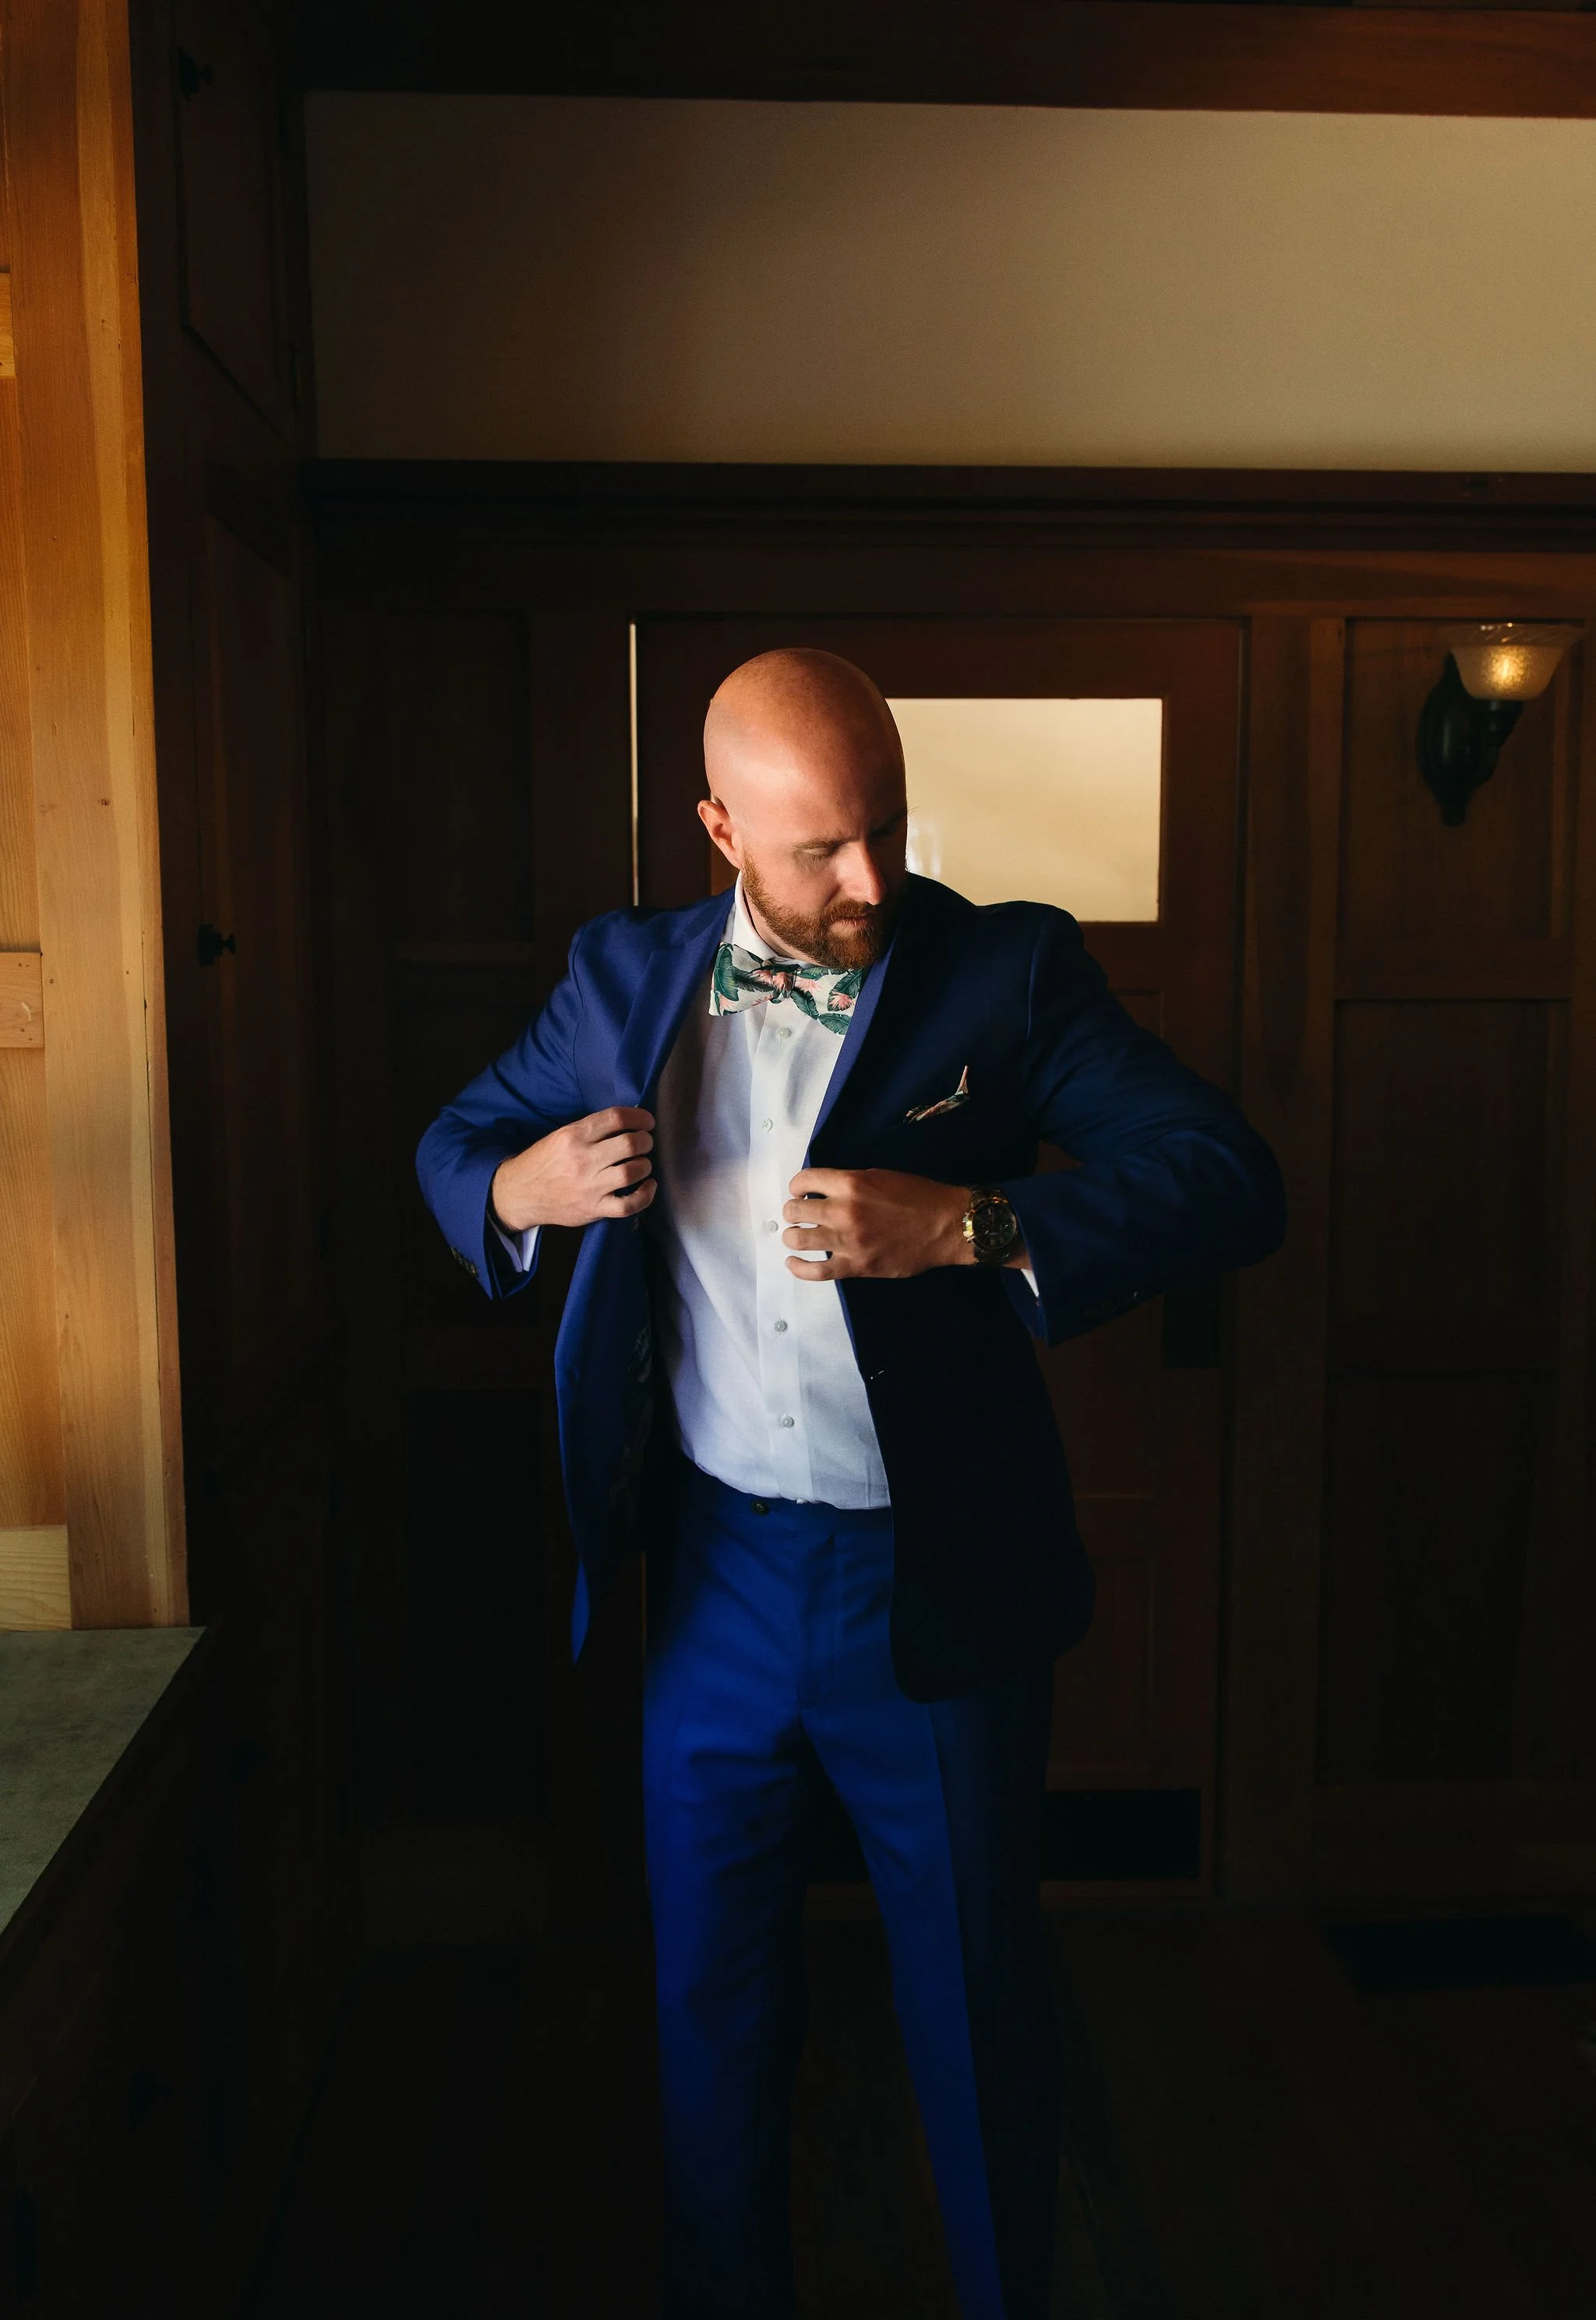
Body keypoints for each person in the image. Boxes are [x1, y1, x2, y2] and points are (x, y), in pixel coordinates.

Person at [417, 648, 1285, 2319]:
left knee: (971, 2001)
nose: (871, 880)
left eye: (886, 827)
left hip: (934, 1580)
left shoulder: (1007, 972)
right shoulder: (620, 977)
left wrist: (974, 1222)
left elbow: (1224, 1177)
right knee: (710, 2006)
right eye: (819, 848)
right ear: (719, 826)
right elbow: (454, 1150)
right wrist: (523, 1182)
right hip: (713, 1578)